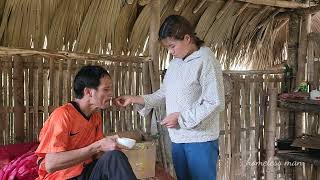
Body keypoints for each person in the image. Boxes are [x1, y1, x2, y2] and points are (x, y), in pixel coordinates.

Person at [114, 15, 225, 180]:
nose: (171, 52)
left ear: (187, 38)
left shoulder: (206, 61)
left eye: (172, 46)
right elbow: (164, 93)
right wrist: (135, 99)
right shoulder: (174, 64)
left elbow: (214, 102)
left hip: (200, 140)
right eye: (167, 48)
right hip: (178, 139)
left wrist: (180, 118)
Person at [35, 65, 137, 180]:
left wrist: (112, 145)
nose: (111, 94)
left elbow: (97, 154)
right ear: (89, 92)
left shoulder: (95, 118)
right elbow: (51, 164)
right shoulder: (63, 115)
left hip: (84, 173)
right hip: (60, 177)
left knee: (114, 157)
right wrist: (98, 146)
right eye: (106, 89)